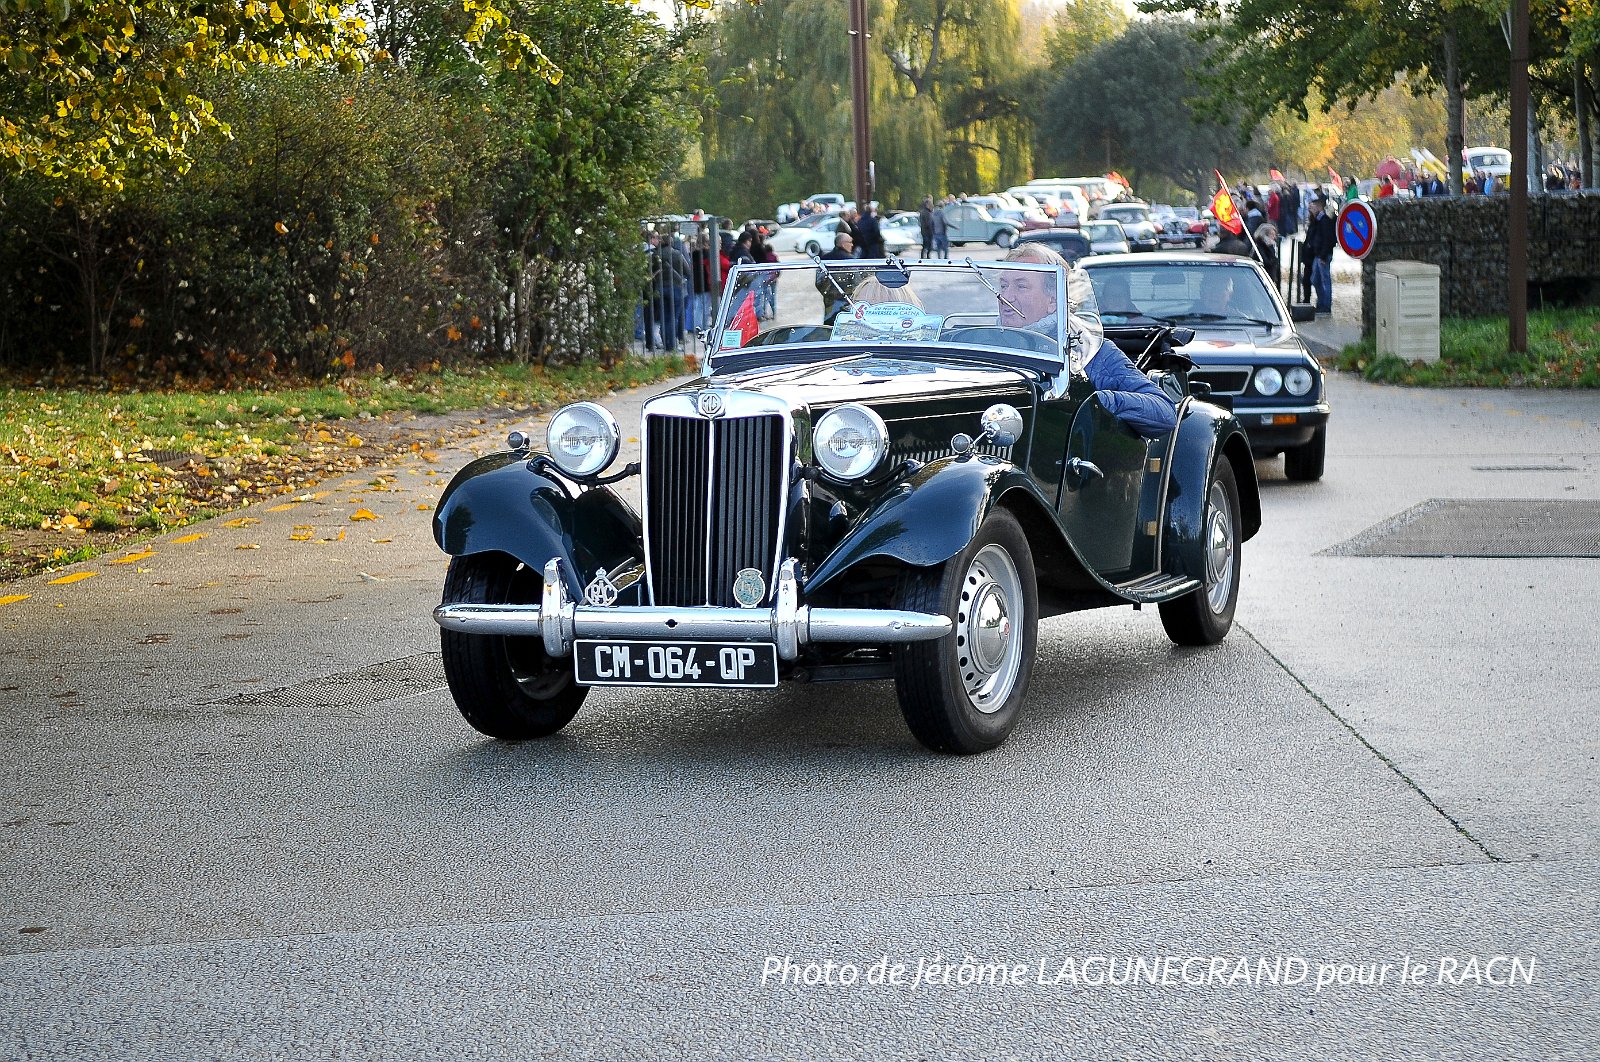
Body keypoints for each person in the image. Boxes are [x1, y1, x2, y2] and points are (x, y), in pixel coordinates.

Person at [999, 244, 1175, 438]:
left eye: (1021, 286)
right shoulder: (984, 343)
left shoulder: (1089, 348)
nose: (1005, 297)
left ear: (1053, 301)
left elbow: (1163, 412)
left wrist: (1093, 402)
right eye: (1003, 286)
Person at [815, 232, 861, 322]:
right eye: (850, 242)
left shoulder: (824, 259)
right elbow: (858, 283)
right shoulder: (850, 261)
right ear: (843, 244)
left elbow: (818, 282)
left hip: (829, 304)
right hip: (847, 303)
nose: (852, 245)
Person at [1303, 196, 1335, 313]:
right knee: (1315, 279)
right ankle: (1321, 303)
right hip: (1318, 254)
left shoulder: (1324, 220)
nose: (1310, 210)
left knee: (1324, 280)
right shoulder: (1317, 220)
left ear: (1318, 207)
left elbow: (1327, 239)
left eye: (1312, 207)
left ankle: (1325, 306)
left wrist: (1323, 255)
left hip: (1322, 255)